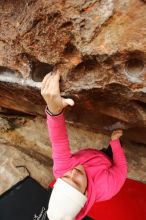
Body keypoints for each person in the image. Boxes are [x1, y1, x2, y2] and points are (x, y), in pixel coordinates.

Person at [41, 71, 128, 220]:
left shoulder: (62, 170)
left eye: (66, 178)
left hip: (94, 155)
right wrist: (115, 144)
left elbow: (58, 141)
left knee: (102, 153)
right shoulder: (107, 188)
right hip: (108, 163)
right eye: (76, 182)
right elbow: (121, 168)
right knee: (112, 151)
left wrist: (54, 111)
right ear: (85, 194)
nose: (73, 172)